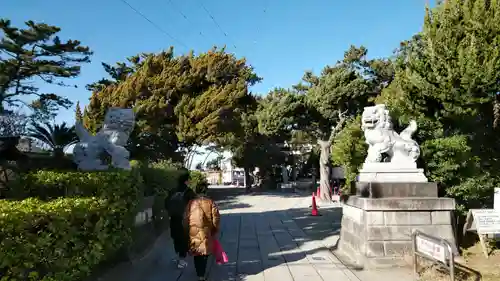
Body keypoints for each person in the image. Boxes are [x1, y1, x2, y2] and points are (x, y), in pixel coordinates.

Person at [184, 183, 220, 281]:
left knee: (196, 252)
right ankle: (202, 275)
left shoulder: (191, 203)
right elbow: (216, 218)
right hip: (206, 231)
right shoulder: (210, 202)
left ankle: (199, 273)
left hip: (193, 231)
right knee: (204, 253)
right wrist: (215, 228)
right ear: (205, 191)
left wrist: (186, 229)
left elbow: (186, 217)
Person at [165, 168, 195, 269]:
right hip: (185, 219)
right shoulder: (189, 192)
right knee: (184, 238)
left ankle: (179, 256)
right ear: (186, 180)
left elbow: (166, 204)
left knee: (176, 237)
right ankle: (181, 260)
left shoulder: (172, 191)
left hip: (174, 218)